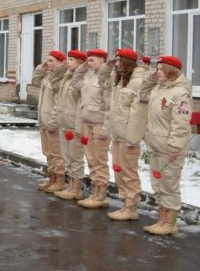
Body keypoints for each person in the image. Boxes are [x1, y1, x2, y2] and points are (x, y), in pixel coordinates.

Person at [143, 56, 192, 235]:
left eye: (161, 69)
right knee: (158, 183)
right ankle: (162, 219)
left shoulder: (180, 93)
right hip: (155, 144)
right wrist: (151, 78)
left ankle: (169, 223)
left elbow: (181, 124)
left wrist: (174, 147)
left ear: (171, 71)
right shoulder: (158, 88)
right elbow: (142, 91)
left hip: (169, 147)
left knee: (169, 184)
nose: (157, 72)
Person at [103, 49, 153, 221]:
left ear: (128, 62)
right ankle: (125, 203)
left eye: (119, 61)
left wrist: (133, 138)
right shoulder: (121, 80)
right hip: (117, 134)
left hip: (128, 137)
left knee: (129, 172)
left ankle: (131, 206)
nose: (116, 64)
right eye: (115, 61)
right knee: (118, 170)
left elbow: (139, 114)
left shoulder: (138, 82)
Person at [73, 49, 113, 210]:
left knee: (99, 160)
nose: (88, 63)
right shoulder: (88, 75)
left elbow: (110, 106)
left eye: (92, 60)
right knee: (90, 158)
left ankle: (100, 193)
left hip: (99, 125)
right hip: (87, 123)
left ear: (102, 60)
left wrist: (106, 129)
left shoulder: (106, 78)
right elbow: (75, 83)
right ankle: (94, 192)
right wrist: (82, 67)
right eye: (87, 60)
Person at [30, 51, 68, 192]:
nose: (48, 63)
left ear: (59, 62)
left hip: (53, 122)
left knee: (56, 153)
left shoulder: (60, 78)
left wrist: (53, 121)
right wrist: (41, 68)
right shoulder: (48, 76)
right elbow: (35, 81)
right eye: (48, 61)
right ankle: (51, 178)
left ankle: (59, 180)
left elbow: (59, 103)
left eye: (51, 61)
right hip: (44, 121)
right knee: (48, 152)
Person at [54, 50, 88, 199]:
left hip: (75, 124)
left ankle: (76, 189)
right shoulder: (66, 78)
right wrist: (63, 67)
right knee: (67, 157)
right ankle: (70, 185)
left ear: (80, 64)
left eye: (71, 60)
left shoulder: (82, 81)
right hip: (64, 123)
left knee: (76, 158)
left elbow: (81, 104)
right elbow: (52, 80)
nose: (68, 62)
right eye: (68, 59)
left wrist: (79, 127)